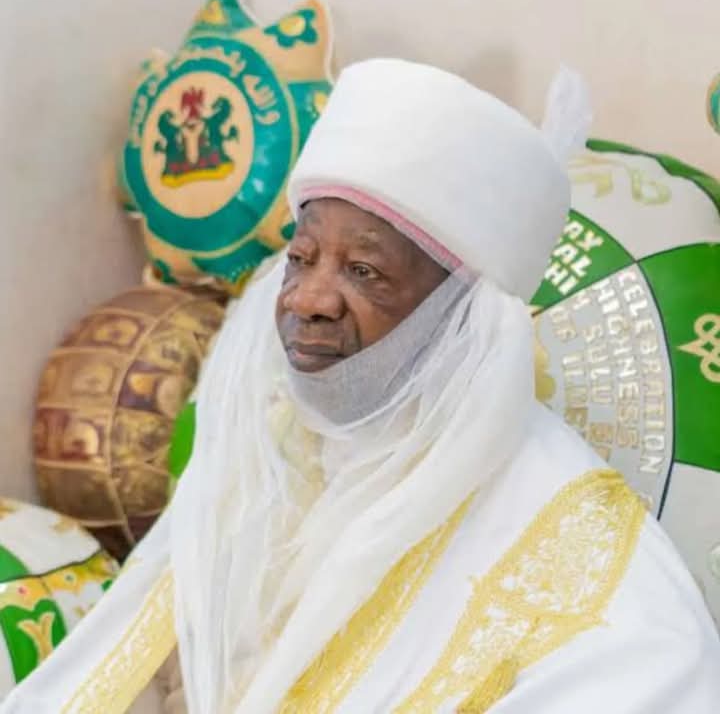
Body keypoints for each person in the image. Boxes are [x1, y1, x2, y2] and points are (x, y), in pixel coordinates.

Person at [4, 59, 719, 714]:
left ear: (461, 319)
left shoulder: (578, 549)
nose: (308, 299)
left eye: (364, 271)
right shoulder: (269, 449)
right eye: (302, 257)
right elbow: (129, 663)